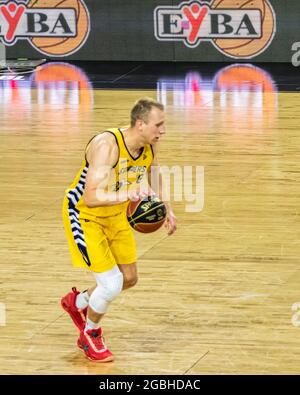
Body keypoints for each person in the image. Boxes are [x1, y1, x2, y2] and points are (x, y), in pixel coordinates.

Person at [61, 98, 177, 362]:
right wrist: (128, 192)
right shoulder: (107, 145)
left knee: (129, 278)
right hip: (85, 215)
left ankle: (77, 302)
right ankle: (90, 334)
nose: (163, 130)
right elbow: (90, 197)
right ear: (140, 124)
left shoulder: (149, 146)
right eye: (158, 125)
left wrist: (166, 207)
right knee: (111, 284)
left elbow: (153, 172)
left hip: (116, 215)